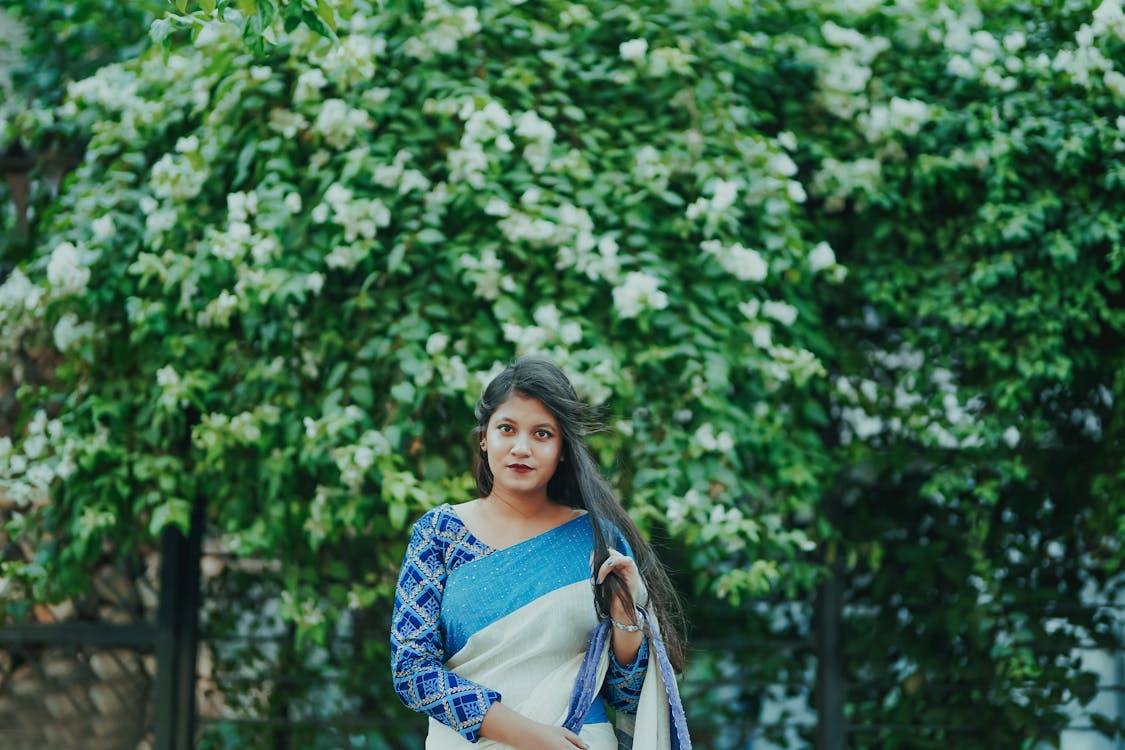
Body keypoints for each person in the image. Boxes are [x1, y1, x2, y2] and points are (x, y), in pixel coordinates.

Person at [390, 357, 691, 749]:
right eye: (507, 429)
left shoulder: (597, 539)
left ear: (563, 448)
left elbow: (627, 697)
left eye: (542, 434)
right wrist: (531, 737)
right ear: (485, 437)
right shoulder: (440, 534)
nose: (521, 448)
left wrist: (626, 620)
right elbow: (412, 672)